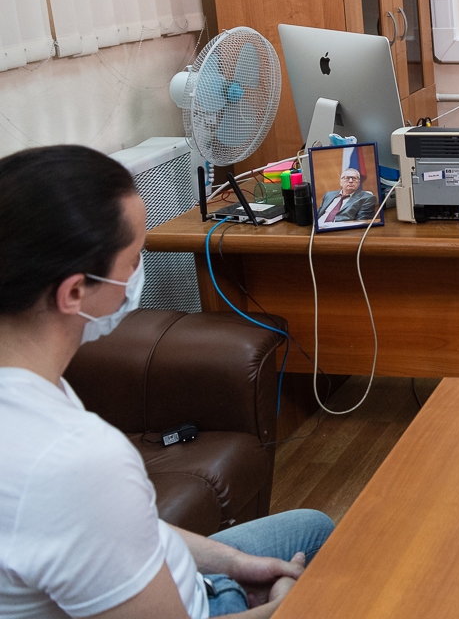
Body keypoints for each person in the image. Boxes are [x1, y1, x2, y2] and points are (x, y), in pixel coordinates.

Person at [0, 145, 333, 617]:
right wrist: (286, 608)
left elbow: (117, 528)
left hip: (180, 577)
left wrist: (235, 563)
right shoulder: (76, 461)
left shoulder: (29, 381)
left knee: (311, 529)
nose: (139, 272)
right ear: (74, 291)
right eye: (134, 257)